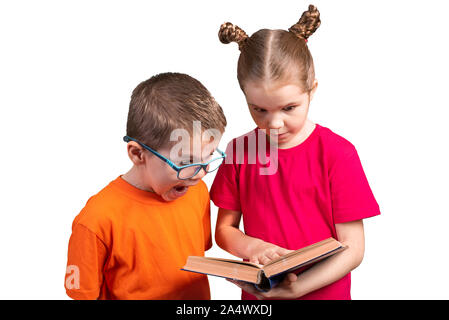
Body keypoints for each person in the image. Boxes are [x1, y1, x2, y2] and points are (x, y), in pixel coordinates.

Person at [211, 5, 380, 300]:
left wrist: (298, 288)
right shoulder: (240, 152)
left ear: (311, 91)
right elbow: (224, 230)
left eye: (289, 108)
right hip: (260, 299)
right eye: (259, 109)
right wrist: (253, 248)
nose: (274, 123)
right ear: (245, 97)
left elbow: (353, 247)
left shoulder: (338, 153)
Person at [64, 72, 227, 299]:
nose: (200, 173)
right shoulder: (96, 220)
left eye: (208, 157)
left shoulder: (197, 193)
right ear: (138, 154)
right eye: (186, 162)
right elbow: (84, 294)